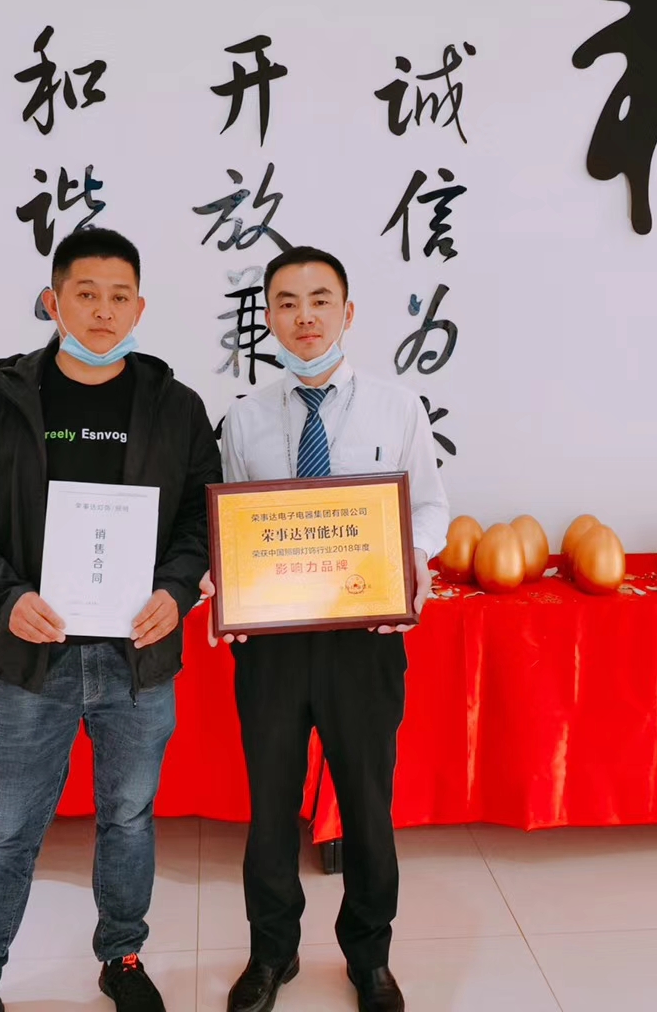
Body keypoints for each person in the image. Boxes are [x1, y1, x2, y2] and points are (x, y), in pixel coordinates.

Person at [0, 228, 222, 1012]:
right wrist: (4, 598)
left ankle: (122, 956)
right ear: (54, 301)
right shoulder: (0, 400)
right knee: (8, 825)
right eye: (86, 294)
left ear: (140, 309)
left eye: (120, 296)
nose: (103, 311)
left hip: (137, 658)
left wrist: (177, 589)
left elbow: (201, 519)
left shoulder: (176, 406)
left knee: (129, 818)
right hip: (34, 656)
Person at [204, 246, 449, 1012]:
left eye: (319, 300)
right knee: (270, 808)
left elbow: (430, 506)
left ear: (347, 312)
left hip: (364, 640)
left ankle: (369, 957)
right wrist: (222, 578)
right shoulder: (245, 417)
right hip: (272, 646)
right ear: (268, 317)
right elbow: (231, 523)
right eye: (287, 302)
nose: (304, 316)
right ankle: (271, 953)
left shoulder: (397, 407)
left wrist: (411, 558)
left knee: (367, 806)